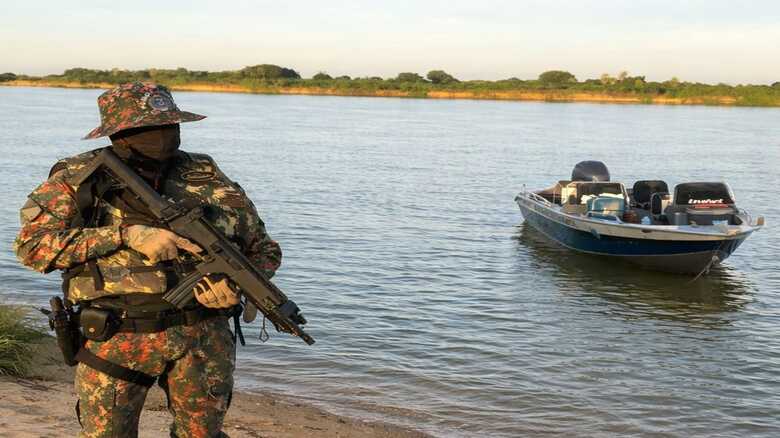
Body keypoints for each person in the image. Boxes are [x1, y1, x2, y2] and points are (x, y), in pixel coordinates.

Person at [13, 82, 282, 438]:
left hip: (203, 339)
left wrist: (237, 287)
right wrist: (127, 235)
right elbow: (32, 247)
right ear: (120, 133)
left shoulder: (205, 174)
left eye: (170, 126)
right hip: (117, 337)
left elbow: (263, 248)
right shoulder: (77, 178)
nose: (164, 136)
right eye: (149, 129)